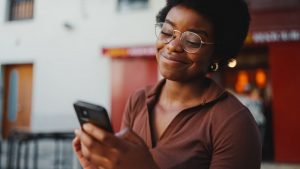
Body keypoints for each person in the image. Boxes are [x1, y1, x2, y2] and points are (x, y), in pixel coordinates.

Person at [72, 0, 262, 168]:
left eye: (192, 40)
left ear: (218, 52)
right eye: (167, 32)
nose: (172, 45)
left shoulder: (233, 123)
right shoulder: (138, 101)